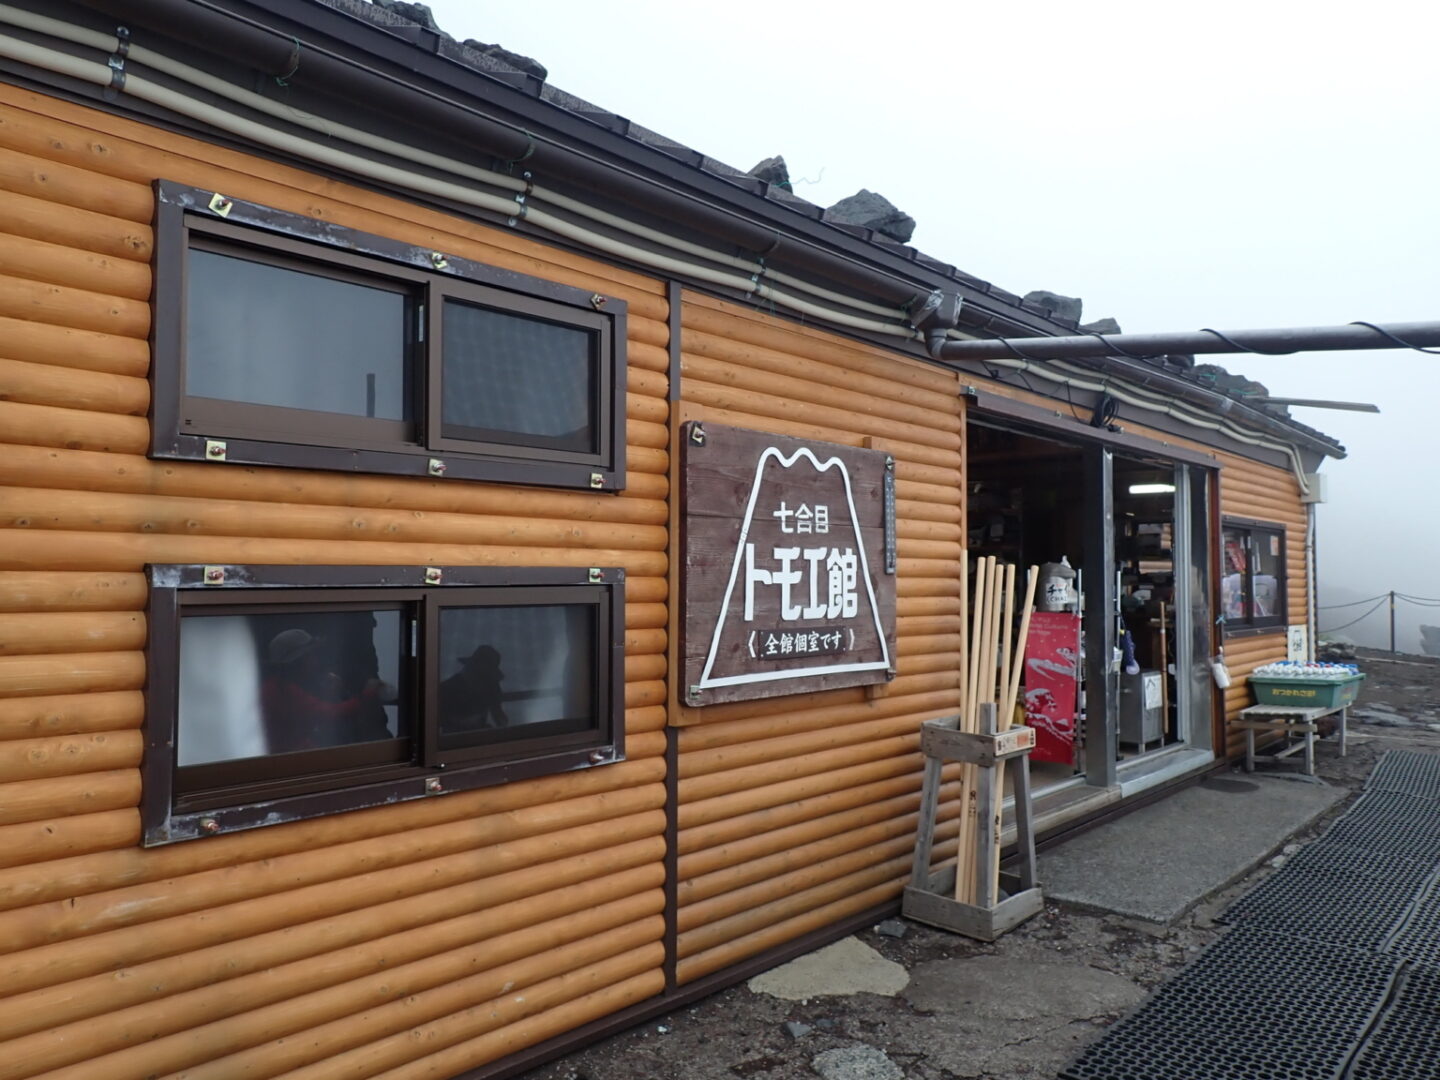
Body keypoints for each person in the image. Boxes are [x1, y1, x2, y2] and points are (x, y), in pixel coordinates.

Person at [261, 628, 395, 752]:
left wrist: (330, 693)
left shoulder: (282, 684)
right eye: (310, 656)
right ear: (297, 662)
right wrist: (369, 693)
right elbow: (330, 714)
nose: (315, 661)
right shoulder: (282, 691)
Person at [438, 643, 510, 733]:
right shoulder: (447, 688)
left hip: (480, 736)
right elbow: (436, 722)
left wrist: (503, 727)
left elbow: (498, 712)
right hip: (454, 738)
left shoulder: (491, 685)